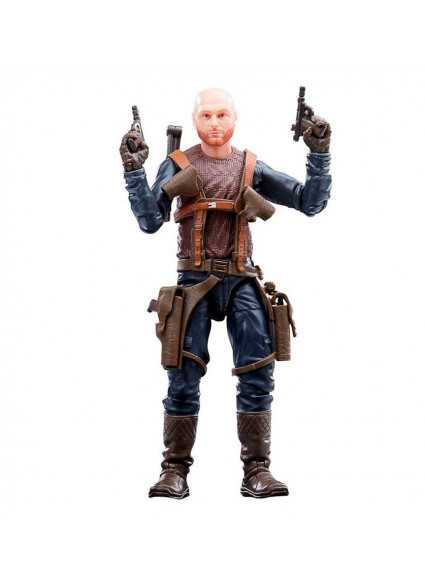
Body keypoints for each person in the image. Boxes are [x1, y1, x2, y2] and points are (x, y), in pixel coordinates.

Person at [120, 88, 332, 499]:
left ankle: (257, 470)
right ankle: (174, 470)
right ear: (194, 120)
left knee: (258, 371)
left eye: (222, 115)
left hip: (241, 280)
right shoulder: (178, 163)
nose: (214, 123)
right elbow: (149, 220)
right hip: (193, 283)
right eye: (206, 115)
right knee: (182, 375)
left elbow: (309, 202)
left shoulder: (249, 166)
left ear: (234, 119)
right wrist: (133, 171)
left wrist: (319, 152)